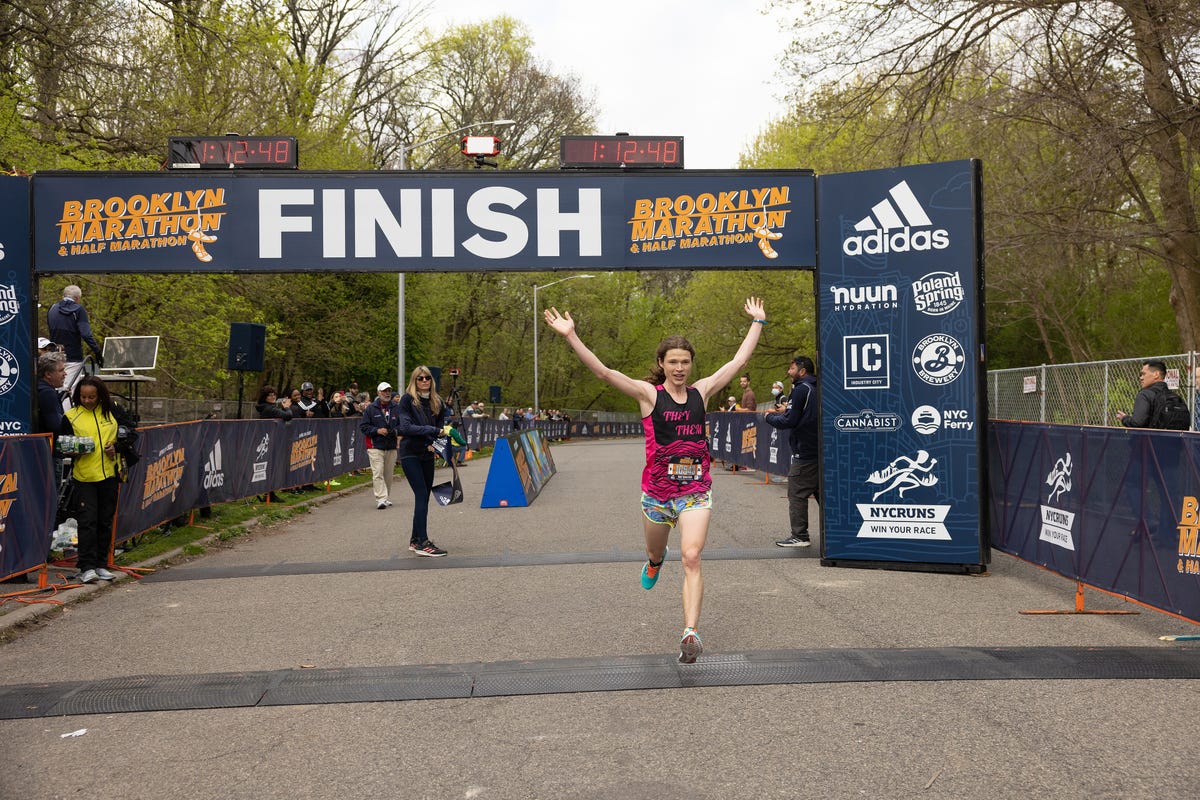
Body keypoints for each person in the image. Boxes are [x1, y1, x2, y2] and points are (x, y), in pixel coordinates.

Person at [544, 296, 767, 664]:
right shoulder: (649, 395)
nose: (680, 368)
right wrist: (571, 336)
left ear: (691, 364)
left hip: (695, 489)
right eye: (673, 362)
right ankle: (654, 561)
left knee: (692, 555)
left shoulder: (702, 391)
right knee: (655, 550)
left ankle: (690, 632)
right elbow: (604, 373)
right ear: (662, 364)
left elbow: (738, 361)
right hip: (657, 495)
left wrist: (757, 323)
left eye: (685, 361)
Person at [64, 377, 121, 584]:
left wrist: (117, 448)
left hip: (109, 475)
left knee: (105, 521)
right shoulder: (70, 416)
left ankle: (101, 564)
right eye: (83, 397)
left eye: (91, 397)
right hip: (84, 477)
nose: (87, 400)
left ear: (100, 396)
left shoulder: (112, 411)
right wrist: (71, 451)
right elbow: (62, 445)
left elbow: (129, 434)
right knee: (87, 521)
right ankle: (86, 567)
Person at [395, 367, 450, 557]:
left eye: (428, 378)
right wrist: (432, 432)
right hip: (410, 452)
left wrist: (435, 443)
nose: (425, 381)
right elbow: (406, 427)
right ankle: (423, 543)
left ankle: (415, 539)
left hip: (427, 453)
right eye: (420, 378)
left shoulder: (438, 402)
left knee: (425, 496)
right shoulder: (407, 400)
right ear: (414, 380)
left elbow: (440, 427)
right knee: (420, 494)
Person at [765, 356, 819, 548]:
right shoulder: (817, 387)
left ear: (802, 371)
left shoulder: (801, 389)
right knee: (822, 494)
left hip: (805, 452)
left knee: (796, 493)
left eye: (792, 368)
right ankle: (835, 533)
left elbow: (790, 421)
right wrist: (784, 413)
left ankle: (800, 536)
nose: (789, 372)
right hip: (820, 451)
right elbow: (797, 415)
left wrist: (769, 417)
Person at [46, 284, 103, 404]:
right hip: (73, 357)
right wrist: (97, 352)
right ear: (77, 298)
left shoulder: (52, 309)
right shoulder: (79, 310)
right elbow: (86, 334)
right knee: (68, 391)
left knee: (55, 389)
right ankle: (64, 421)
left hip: (54, 357)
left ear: (63, 296)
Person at [360, 382, 401, 510]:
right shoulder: (371, 409)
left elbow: (403, 424)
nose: (387, 393)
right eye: (384, 391)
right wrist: (377, 431)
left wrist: (395, 432)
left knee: (388, 474)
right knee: (378, 472)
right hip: (375, 446)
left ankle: (386, 497)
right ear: (378, 393)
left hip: (391, 445)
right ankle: (380, 498)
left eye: (389, 390)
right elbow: (364, 427)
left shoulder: (396, 407)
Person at [1116, 360, 1189, 429]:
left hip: (1151, 441)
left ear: (1156, 374)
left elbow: (1137, 423)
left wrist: (1125, 419)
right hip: (1176, 441)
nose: (1141, 378)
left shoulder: (1145, 394)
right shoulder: (1176, 397)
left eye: (1144, 374)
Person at [35, 351, 68, 435]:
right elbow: (56, 426)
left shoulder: (38, 387)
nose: (65, 374)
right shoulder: (47, 393)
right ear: (48, 374)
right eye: (61, 370)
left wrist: (59, 396)